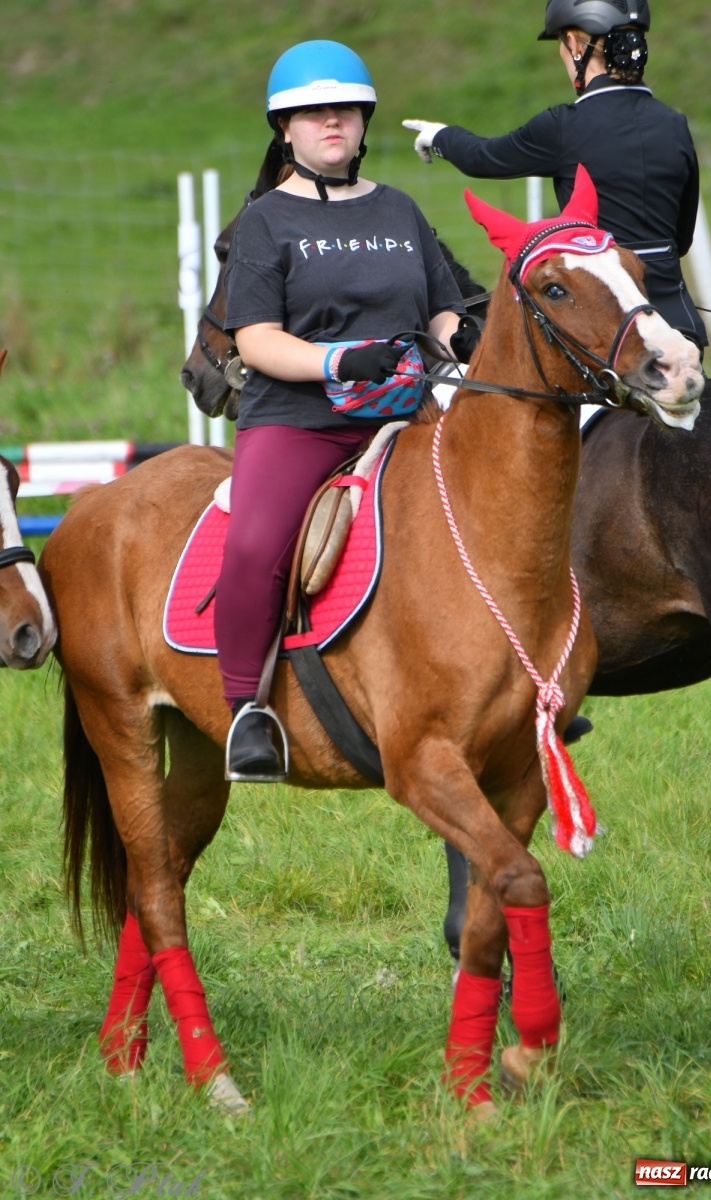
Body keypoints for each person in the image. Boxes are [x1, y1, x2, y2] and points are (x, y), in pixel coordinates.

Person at [216, 40, 478, 781]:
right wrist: (335, 359)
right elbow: (256, 339)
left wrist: (465, 335)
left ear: (364, 122)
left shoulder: (400, 208)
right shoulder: (265, 221)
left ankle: (515, 687)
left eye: (345, 109)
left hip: (407, 412)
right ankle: (247, 712)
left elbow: (441, 314)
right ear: (286, 130)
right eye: (312, 111)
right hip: (300, 420)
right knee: (255, 544)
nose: (331, 120)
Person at [402, 0, 708, 352]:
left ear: (576, 45)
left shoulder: (565, 126)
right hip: (679, 325)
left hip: (606, 330)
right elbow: (681, 240)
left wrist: (440, 137)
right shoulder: (674, 124)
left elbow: (484, 158)